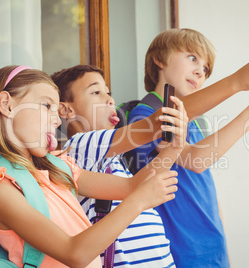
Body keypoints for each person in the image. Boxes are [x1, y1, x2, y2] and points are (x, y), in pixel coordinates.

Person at [0, 65, 180, 268]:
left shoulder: (58, 168)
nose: (56, 121)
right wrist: (139, 201)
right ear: (7, 105)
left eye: (56, 110)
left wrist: (174, 149)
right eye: (47, 105)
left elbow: (133, 186)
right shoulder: (0, 189)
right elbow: (74, 253)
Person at [127, 28, 249, 267]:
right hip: (179, 251)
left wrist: (223, 248)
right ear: (159, 59)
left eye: (206, 69)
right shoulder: (146, 114)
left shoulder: (195, 120)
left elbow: (207, 188)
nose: (199, 71)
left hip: (212, 249)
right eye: (192, 58)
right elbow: (197, 161)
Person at [51, 64, 188, 267]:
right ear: (66, 109)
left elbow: (143, 184)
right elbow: (148, 128)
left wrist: (174, 149)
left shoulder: (111, 159)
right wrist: (167, 118)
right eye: (96, 92)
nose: (110, 100)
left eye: (109, 92)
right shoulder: (76, 147)